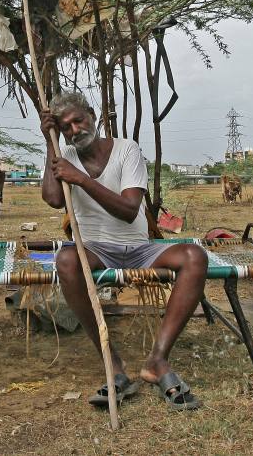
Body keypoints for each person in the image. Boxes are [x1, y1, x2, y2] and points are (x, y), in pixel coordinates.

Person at [40, 90, 205, 411]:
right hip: (95, 249)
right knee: (66, 260)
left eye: (79, 120)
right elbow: (53, 199)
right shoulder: (64, 156)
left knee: (194, 256)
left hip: (138, 247)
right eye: (66, 127)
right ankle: (112, 362)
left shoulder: (126, 150)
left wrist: (83, 181)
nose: (75, 130)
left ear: (92, 115)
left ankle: (157, 360)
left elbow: (130, 209)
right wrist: (50, 144)